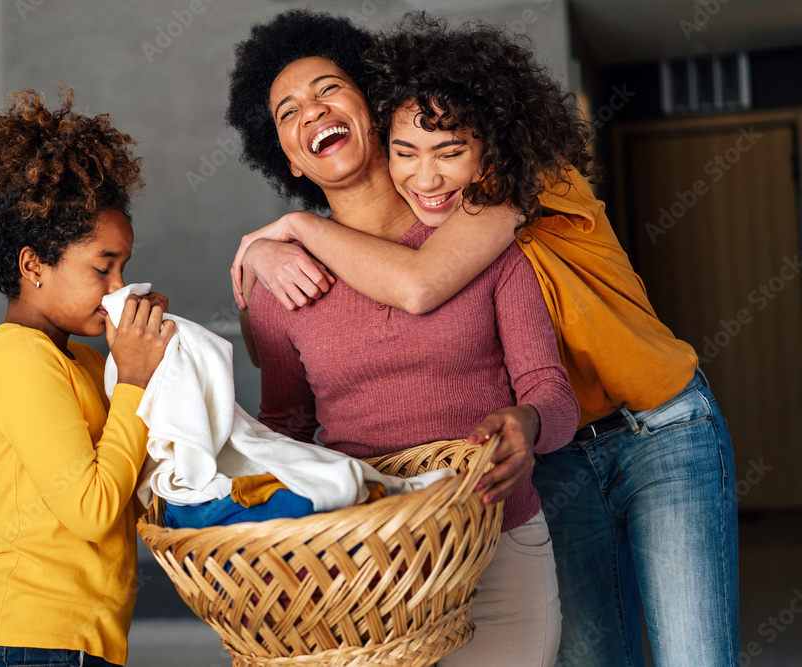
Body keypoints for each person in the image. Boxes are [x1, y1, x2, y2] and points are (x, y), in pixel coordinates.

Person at [231, 13, 738, 667]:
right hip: (555, 455)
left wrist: (294, 227)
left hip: (657, 426)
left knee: (694, 653)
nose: (428, 173)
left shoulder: (513, 187)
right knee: (594, 655)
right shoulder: (420, 206)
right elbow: (291, 363)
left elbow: (419, 284)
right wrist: (267, 264)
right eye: (409, 152)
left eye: (448, 151)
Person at [227, 10, 580, 665]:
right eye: (287, 111)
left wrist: (526, 425)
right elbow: (287, 428)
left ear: (376, 107)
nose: (311, 110)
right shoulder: (283, 280)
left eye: (328, 88)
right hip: (367, 563)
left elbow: (549, 389)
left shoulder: (479, 238)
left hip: (499, 543)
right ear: (290, 160)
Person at [0, 87, 175, 667]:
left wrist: (166, 371)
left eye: (124, 267)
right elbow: (93, 510)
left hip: (80, 646)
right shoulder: (15, 360)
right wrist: (133, 382)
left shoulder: (88, 363)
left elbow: (133, 487)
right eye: (103, 268)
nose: (119, 287)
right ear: (33, 266)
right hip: (29, 645)